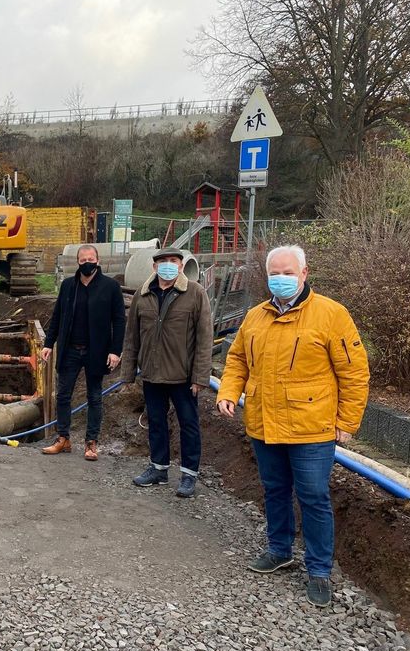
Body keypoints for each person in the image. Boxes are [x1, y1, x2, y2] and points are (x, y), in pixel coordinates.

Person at [217, 245, 369, 608]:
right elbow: (237, 358)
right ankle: (279, 549)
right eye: (275, 273)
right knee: (274, 489)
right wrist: (228, 391)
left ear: (304, 274)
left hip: (311, 428)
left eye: (288, 272)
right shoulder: (255, 316)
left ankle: (318, 570)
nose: (280, 279)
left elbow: (354, 372)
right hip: (264, 423)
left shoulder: (332, 315)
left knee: (314, 496)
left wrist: (347, 421)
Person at [120, 247, 212, 498]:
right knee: (156, 423)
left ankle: (189, 475)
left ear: (181, 266)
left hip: (183, 377)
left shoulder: (195, 293)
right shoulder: (144, 294)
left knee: (188, 425)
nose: (168, 265)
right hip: (152, 373)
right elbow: (132, 338)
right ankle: (158, 469)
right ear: (154, 267)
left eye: (173, 261)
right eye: (163, 262)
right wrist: (127, 375)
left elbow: (205, 338)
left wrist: (200, 377)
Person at [40, 244, 126, 461]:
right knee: (62, 395)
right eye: (83, 259)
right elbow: (58, 315)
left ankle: (91, 442)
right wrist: (49, 343)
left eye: (91, 258)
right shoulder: (69, 286)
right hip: (70, 349)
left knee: (94, 396)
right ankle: (63, 438)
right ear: (77, 262)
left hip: (96, 351)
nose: (87, 262)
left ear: (98, 260)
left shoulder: (110, 287)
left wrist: (115, 351)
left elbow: (119, 320)